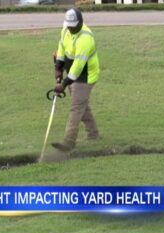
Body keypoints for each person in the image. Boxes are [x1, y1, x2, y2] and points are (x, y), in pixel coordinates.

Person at [51, 8, 100, 152]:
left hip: (86, 76)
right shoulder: (66, 29)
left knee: (76, 107)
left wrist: (64, 83)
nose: (71, 28)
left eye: (73, 25)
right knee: (82, 105)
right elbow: (61, 46)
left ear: (81, 22)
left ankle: (69, 142)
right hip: (72, 73)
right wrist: (58, 66)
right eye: (69, 25)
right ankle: (93, 134)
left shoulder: (85, 38)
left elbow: (78, 66)